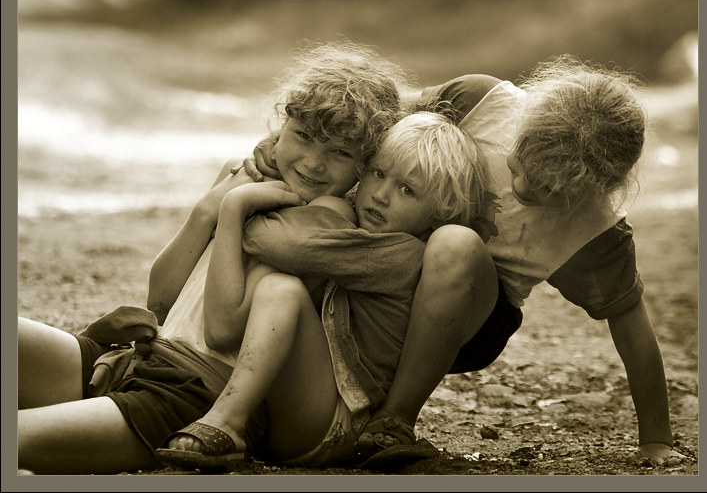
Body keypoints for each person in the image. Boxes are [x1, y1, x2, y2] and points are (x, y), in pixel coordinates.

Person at [244, 54, 686, 466]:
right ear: (524, 124)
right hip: (383, 258)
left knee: (454, 242)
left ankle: (395, 418)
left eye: (550, 192)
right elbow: (361, 119)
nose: (523, 189)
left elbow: (634, 333)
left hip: (469, 314)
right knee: (312, 211)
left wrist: (657, 439)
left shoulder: (595, 234)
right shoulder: (480, 101)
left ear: (599, 189)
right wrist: (283, 145)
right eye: (518, 165)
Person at [17, 40, 411, 475]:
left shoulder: (332, 220)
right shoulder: (249, 179)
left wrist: (232, 208)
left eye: (340, 152)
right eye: (303, 137)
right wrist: (209, 208)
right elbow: (161, 300)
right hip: (138, 358)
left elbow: (223, 333)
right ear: (280, 129)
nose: (314, 164)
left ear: (365, 165)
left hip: (189, 396)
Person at [154, 111, 495, 470]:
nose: (381, 196)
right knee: (280, 289)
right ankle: (225, 418)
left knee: (280, 291)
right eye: (379, 174)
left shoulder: (397, 254)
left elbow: (281, 243)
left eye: (407, 190)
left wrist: (241, 206)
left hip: (337, 425)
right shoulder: (365, 235)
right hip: (302, 417)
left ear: (442, 213)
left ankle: (227, 420)